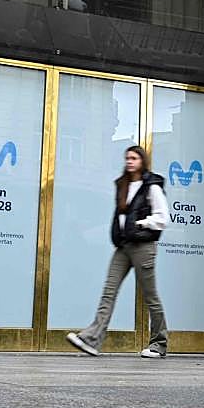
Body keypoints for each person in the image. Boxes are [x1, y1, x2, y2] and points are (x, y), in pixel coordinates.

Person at [67, 146, 168, 358]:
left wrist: (140, 223)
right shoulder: (123, 185)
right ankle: (92, 339)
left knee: (150, 296)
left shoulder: (151, 186)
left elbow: (162, 218)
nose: (129, 161)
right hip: (123, 247)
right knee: (109, 291)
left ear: (142, 161)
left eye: (134, 158)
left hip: (143, 247)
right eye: (127, 158)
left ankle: (159, 344)